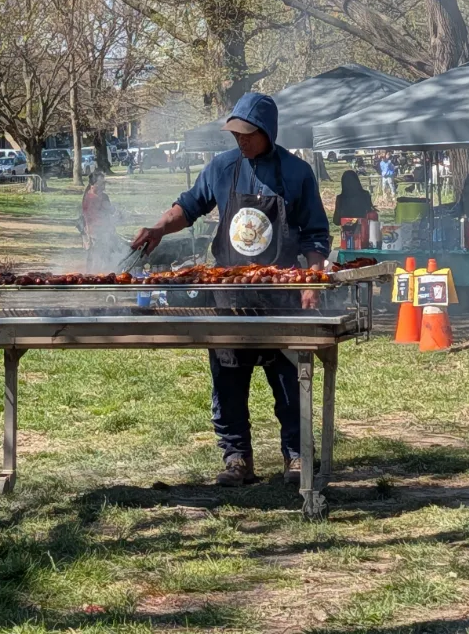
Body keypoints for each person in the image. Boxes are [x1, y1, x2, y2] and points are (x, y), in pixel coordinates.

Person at [130, 91, 330, 486]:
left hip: (281, 297)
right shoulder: (221, 168)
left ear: (267, 133)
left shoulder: (296, 173)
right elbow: (187, 207)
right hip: (229, 295)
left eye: (248, 134)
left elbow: (316, 235)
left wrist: (312, 281)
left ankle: (295, 456)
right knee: (227, 379)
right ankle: (237, 458)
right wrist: (157, 227)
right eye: (236, 133)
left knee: (288, 379)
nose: (241, 140)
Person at [81, 170, 114, 267]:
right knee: (95, 256)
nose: (104, 185)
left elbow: (109, 211)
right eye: (101, 183)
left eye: (104, 182)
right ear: (93, 184)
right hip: (94, 232)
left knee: (105, 256)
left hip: (103, 230)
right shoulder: (90, 198)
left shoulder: (103, 196)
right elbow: (92, 217)